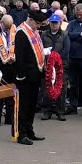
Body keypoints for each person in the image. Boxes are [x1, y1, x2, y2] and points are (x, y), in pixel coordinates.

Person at [12, 8, 49, 144]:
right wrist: (21, 76)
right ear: (31, 20)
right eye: (38, 23)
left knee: (32, 105)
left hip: (36, 74)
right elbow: (20, 57)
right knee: (24, 106)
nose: (39, 27)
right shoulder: (22, 32)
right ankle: (21, 134)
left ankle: (29, 130)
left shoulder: (34, 31)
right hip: (26, 77)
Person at [38, 12, 69, 121]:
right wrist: (48, 61)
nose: (54, 25)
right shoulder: (44, 34)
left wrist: (57, 60)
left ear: (60, 23)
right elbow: (41, 49)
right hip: (47, 66)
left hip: (61, 66)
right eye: (52, 23)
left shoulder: (65, 35)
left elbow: (66, 50)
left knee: (61, 88)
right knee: (47, 88)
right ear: (49, 23)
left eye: (56, 23)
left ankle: (60, 112)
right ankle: (47, 111)